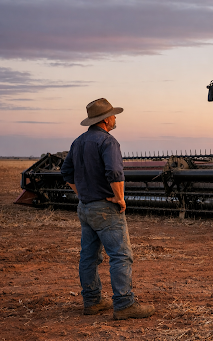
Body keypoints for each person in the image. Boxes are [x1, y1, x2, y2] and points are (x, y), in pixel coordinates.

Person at [61, 98, 155, 320]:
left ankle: (92, 301)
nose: (115, 118)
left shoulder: (78, 142)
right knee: (121, 255)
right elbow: (114, 173)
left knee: (89, 256)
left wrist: (81, 193)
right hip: (105, 208)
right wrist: (120, 198)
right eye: (113, 115)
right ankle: (124, 304)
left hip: (85, 208)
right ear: (105, 119)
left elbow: (66, 171)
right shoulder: (108, 142)